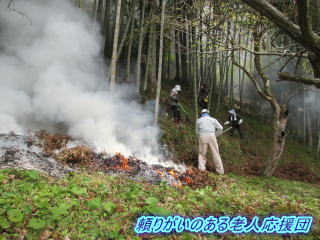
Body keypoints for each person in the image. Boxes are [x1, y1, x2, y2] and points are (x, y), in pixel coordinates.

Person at [196, 109, 224, 174]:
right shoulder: (213, 119)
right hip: (212, 136)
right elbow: (221, 128)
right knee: (216, 153)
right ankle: (220, 172)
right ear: (208, 114)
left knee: (201, 154)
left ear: (201, 114)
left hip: (202, 136)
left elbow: (197, 132)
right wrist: (215, 135)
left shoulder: (198, 120)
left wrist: (201, 136)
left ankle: (201, 170)